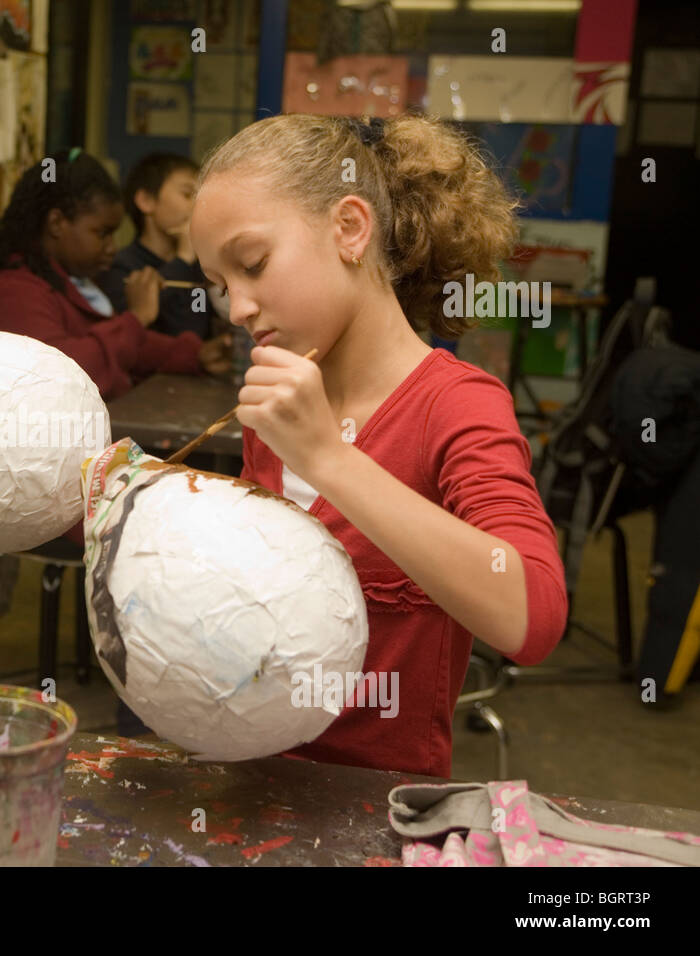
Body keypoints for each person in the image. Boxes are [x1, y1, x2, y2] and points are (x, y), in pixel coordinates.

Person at [190, 114, 568, 777]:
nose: (237, 308)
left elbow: (532, 615)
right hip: (251, 780)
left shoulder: (455, 406)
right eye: (221, 287)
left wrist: (330, 460)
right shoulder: (276, 407)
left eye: (252, 265)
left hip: (377, 807)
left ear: (349, 228)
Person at [0, 148, 230, 402]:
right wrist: (136, 317)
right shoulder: (14, 292)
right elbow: (64, 376)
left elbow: (134, 349)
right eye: (101, 233)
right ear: (56, 224)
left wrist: (197, 354)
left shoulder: (72, 283)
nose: (111, 247)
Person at [99, 152, 212, 340]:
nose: (198, 204)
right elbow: (129, 328)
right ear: (146, 201)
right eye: (187, 194)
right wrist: (183, 259)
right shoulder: (119, 266)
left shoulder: (200, 266)